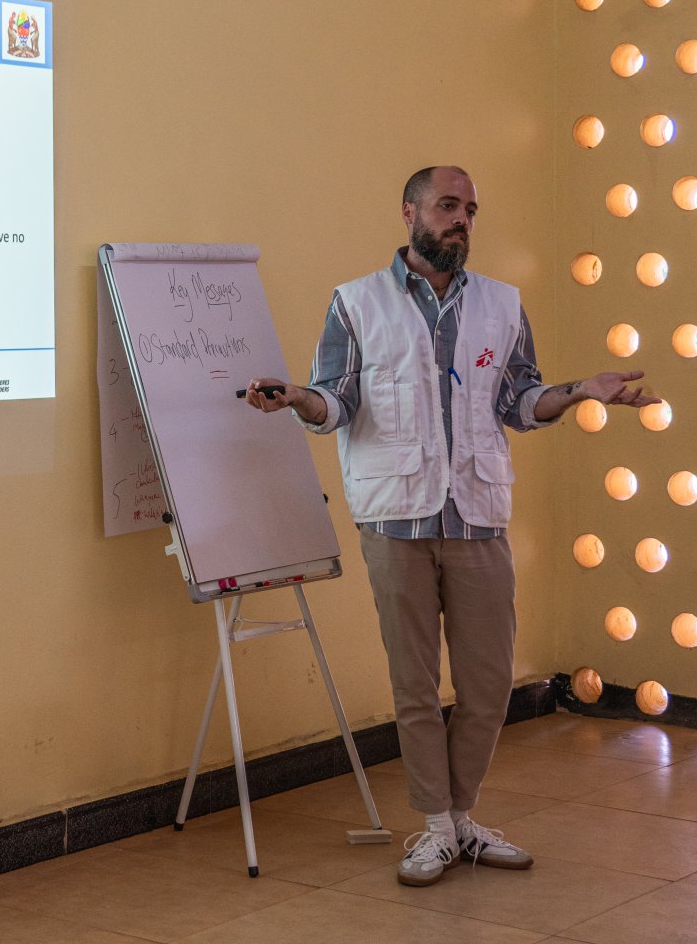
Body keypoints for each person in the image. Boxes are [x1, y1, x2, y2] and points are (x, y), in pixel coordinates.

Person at [245, 165, 654, 888]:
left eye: (469, 209)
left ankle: (461, 816)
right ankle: (437, 827)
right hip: (395, 517)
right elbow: (335, 401)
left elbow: (521, 399)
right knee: (414, 684)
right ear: (409, 212)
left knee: (490, 682)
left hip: (476, 514)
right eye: (446, 205)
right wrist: (296, 400)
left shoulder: (501, 304)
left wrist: (580, 392)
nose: (461, 218)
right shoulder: (357, 302)